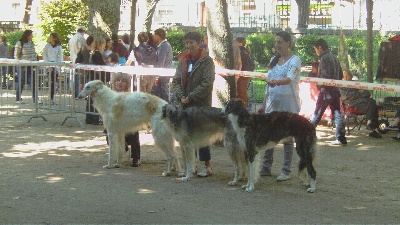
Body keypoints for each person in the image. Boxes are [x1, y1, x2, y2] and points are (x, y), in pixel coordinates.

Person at [257, 31, 301, 181]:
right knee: (269, 135)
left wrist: (277, 82)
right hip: (272, 105)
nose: (277, 45)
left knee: (288, 138)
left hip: (288, 105)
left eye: (280, 42)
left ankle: (286, 170)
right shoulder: (273, 60)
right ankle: (265, 167)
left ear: (288, 43)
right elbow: (267, 87)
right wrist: (263, 105)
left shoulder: (295, 60)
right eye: (276, 42)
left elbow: (289, 78)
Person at [172, 31, 215, 177]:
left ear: (199, 43)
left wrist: (191, 96)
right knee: (186, 136)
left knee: (202, 135)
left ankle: (206, 166)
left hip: (201, 104)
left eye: (191, 42)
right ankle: (191, 166)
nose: (188, 45)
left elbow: (207, 82)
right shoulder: (183, 61)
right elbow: (176, 81)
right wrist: (181, 95)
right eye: (187, 43)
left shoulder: (207, 61)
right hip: (185, 104)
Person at [310, 38, 347, 146]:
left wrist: (321, 85)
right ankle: (341, 138)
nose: (315, 51)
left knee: (317, 113)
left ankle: (306, 135)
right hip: (335, 90)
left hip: (326, 91)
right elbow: (340, 75)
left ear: (320, 48)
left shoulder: (325, 59)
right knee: (337, 114)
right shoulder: (334, 57)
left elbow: (325, 77)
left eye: (315, 49)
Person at [105, 72, 141, 167]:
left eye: (123, 81)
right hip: (115, 125)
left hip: (128, 124)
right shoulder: (109, 96)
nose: (120, 83)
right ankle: (120, 153)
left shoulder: (131, 96)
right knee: (108, 134)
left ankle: (136, 157)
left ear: (127, 84)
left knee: (134, 132)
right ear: (114, 82)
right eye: (117, 80)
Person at [340, 71, 382, 138]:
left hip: (363, 102)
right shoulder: (341, 86)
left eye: (349, 76)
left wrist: (359, 93)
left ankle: (371, 125)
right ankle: (372, 126)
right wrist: (359, 93)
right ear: (344, 77)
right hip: (352, 105)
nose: (348, 78)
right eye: (347, 77)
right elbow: (348, 96)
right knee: (372, 104)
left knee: (373, 103)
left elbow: (368, 93)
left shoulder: (355, 83)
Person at [85, 37, 106, 125]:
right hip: (96, 77)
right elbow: (101, 65)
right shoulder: (97, 54)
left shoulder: (92, 53)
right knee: (95, 98)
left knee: (91, 98)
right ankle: (95, 118)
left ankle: (89, 118)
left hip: (91, 77)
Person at [14, 29, 38, 103]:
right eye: (31, 35)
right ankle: (18, 99)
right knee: (21, 82)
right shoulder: (19, 43)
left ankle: (35, 99)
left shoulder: (31, 43)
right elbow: (16, 55)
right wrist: (20, 63)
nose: (32, 36)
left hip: (31, 65)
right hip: (22, 66)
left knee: (33, 82)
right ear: (27, 36)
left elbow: (33, 53)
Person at [43, 33, 63, 104]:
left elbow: (60, 56)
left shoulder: (59, 46)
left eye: (51, 37)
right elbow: (45, 55)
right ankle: (50, 97)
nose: (50, 38)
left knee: (54, 82)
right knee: (51, 81)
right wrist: (48, 65)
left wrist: (58, 67)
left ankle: (52, 98)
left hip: (55, 65)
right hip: (49, 65)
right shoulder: (47, 46)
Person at [154, 28, 173, 101]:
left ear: (158, 36)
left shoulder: (164, 46)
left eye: (154, 35)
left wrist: (156, 77)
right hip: (164, 74)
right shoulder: (165, 45)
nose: (153, 37)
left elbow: (160, 63)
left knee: (163, 95)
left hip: (163, 75)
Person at [236, 36, 255, 109]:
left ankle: (244, 109)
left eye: (236, 42)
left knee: (241, 94)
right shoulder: (244, 51)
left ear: (240, 43)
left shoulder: (241, 52)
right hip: (244, 76)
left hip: (242, 76)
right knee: (242, 94)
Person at [69, 25, 86, 97]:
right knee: (79, 77)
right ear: (83, 31)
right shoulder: (81, 38)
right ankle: (77, 93)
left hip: (73, 58)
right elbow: (81, 48)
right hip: (79, 59)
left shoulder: (72, 38)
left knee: (74, 77)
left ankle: (74, 92)